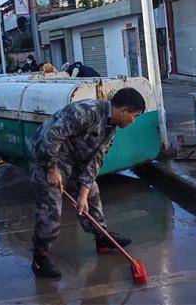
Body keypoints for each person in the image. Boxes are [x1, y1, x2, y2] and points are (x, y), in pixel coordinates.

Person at [29, 88, 146, 279]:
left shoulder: (112, 127)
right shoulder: (87, 112)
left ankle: (102, 238)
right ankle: (40, 256)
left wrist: (82, 194)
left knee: (91, 193)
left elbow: (96, 160)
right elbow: (52, 136)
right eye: (135, 116)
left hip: (73, 161)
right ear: (124, 110)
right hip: (47, 157)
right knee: (51, 210)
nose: (135, 120)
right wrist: (50, 169)